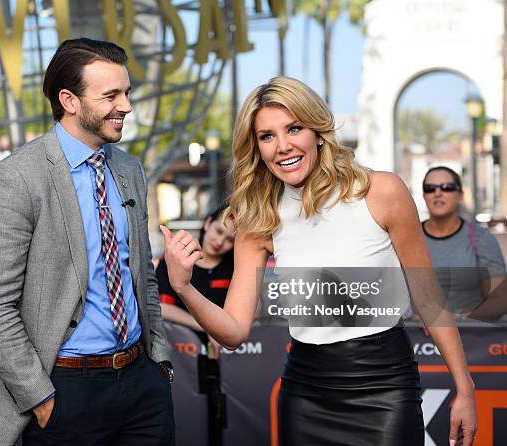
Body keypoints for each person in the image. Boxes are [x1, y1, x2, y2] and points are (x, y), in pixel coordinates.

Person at [160, 77, 477, 445]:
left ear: (318, 131)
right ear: (256, 147)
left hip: (384, 388)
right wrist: (182, 285)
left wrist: (465, 388)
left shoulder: (381, 191)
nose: (282, 146)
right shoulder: (258, 217)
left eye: (294, 128)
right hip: (305, 393)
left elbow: (429, 299)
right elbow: (232, 333)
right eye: (267, 136)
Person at [0, 38, 174, 446]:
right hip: (63, 391)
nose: (126, 106)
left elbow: (142, 277)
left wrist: (160, 362)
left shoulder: (130, 170)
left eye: (127, 93)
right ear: (69, 100)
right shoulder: (16, 178)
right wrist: (42, 399)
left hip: (142, 388)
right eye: (111, 95)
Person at [422, 166, 506, 315]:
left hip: (469, 333)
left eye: (447, 187)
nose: (437, 193)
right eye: (430, 188)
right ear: (424, 195)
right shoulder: (408, 236)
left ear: (460, 195)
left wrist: (458, 318)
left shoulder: (481, 238)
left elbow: (499, 299)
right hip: (415, 334)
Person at [156, 206, 235, 355]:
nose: (219, 241)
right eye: (218, 231)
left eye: (229, 240)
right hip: (179, 352)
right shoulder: (175, 259)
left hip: (225, 355)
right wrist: (208, 327)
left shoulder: (235, 269)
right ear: (208, 223)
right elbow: (162, 307)